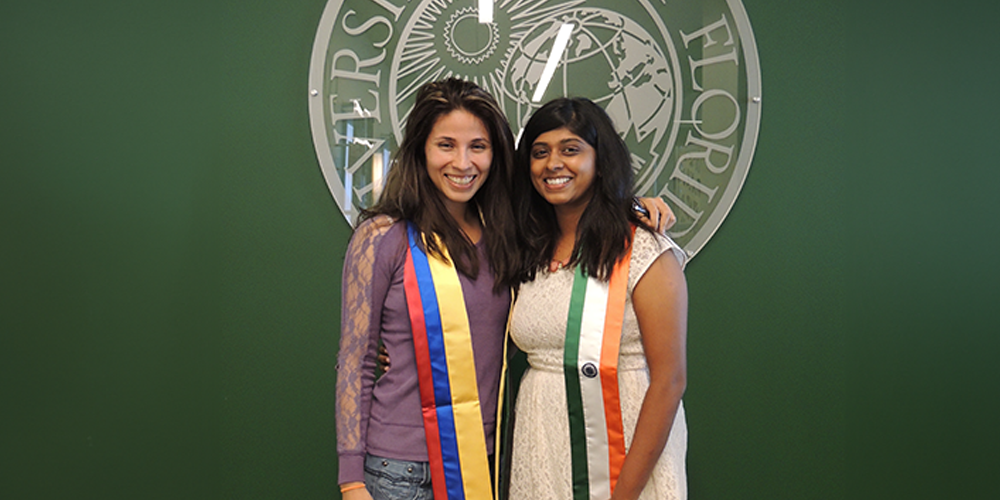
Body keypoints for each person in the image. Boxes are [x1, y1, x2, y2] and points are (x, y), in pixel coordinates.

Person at [336, 77, 675, 500]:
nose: (463, 162)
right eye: (446, 145)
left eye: (478, 146)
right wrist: (352, 482)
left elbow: (576, 208)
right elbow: (356, 360)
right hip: (400, 470)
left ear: (495, 155)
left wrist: (633, 204)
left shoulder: (509, 237)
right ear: (421, 151)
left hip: (488, 462)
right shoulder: (382, 236)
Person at [507, 97, 689, 500]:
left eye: (571, 149)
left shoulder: (643, 250)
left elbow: (670, 380)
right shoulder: (529, 249)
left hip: (623, 456)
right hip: (542, 446)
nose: (553, 163)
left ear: (601, 161)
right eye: (540, 153)